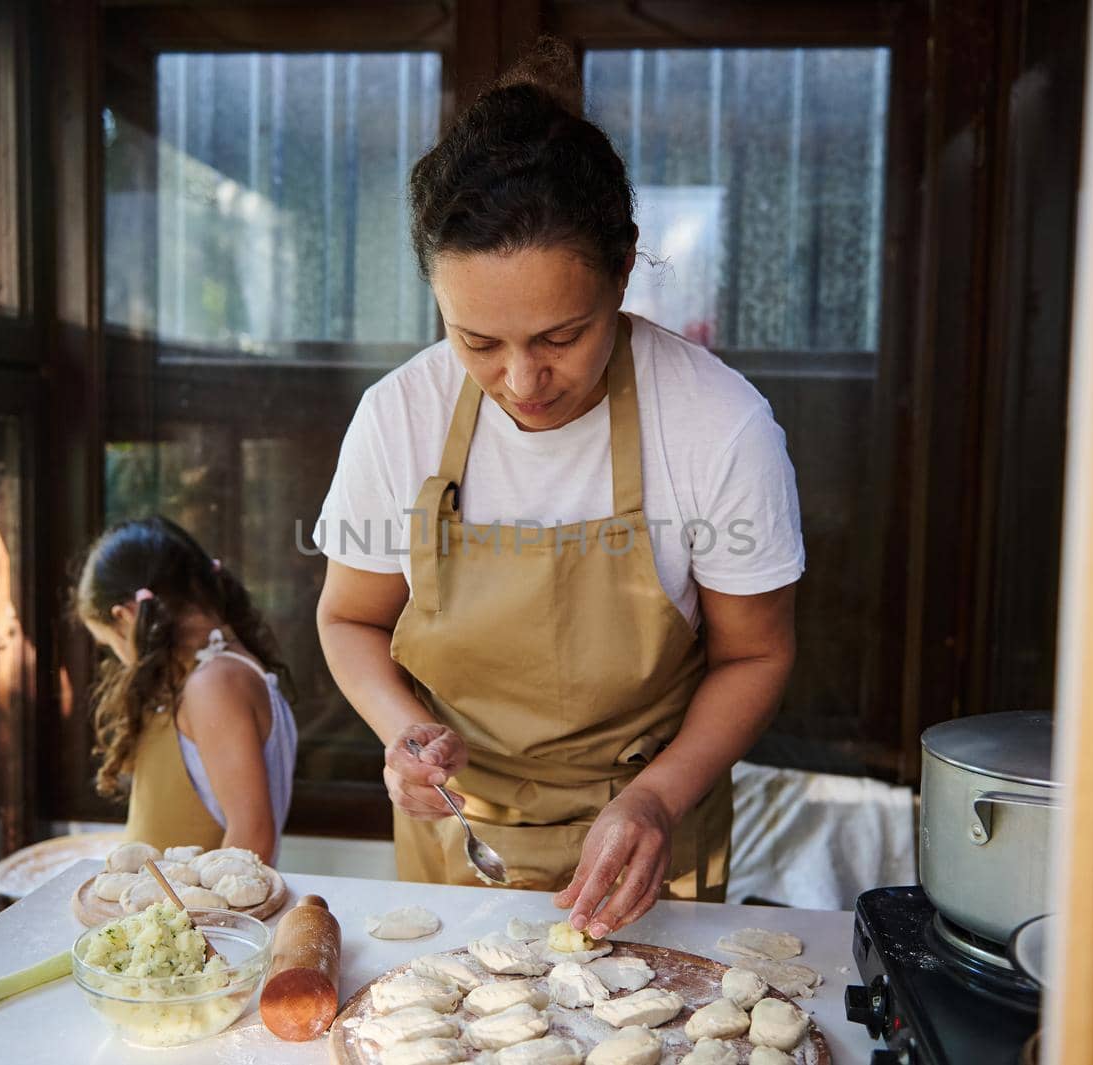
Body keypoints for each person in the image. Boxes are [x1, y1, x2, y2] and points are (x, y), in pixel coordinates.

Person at [314, 38, 803, 939]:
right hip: (458, 845)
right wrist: (401, 732)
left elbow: (754, 654)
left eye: (560, 336)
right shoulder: (400, 418)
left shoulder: (716, 424)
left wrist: (657, 799)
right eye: (477, 342)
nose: (522, 380)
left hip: (652, 847)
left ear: (623, 272)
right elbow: (350, 618)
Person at [75, 516, 298, 861]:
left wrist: (212, 916)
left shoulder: (215, 684)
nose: (119, 659)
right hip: (168, 911)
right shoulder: (204, 674)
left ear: (126, 615)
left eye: (109, 644)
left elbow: (253, 834)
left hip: (197, 914)